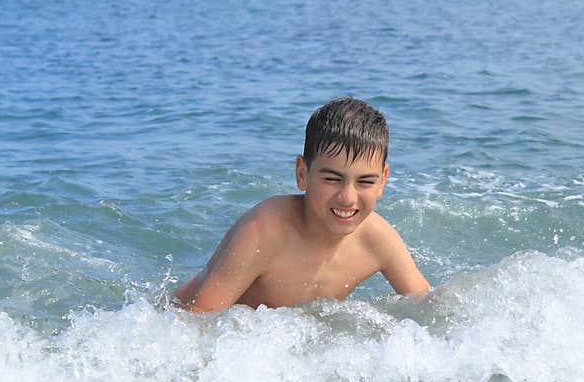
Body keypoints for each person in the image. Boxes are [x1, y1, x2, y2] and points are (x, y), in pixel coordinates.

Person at [174, 96, 430, 312]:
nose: (348, 197)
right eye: (332, 179)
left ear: (383, 180)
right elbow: (197, 320)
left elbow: (429, 305)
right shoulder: (265, 231)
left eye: (364, 182)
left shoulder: (377, 239)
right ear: (302, 174)